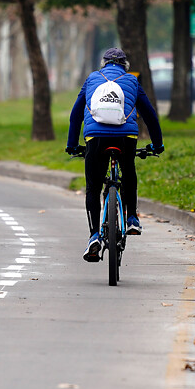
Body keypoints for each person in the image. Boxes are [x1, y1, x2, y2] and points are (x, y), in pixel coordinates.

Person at [66, 47, 164, 262]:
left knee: (93, 187)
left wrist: (72, 144)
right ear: (124, 64)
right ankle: (131, 219)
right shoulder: (131, 81)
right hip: (125, 137)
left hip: (95, 137)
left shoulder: (92, 79)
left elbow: (75, 115)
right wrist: (158, 145)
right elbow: (150, 115)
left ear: (103, 63)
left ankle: (94, 236)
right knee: (128, 173)